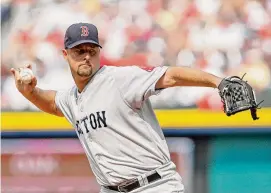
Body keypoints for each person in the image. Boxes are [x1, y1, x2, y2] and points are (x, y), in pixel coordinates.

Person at [11, 22, 222, 193]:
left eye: (91, 50)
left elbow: (170, 76)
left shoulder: (120, 79)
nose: (86, 56)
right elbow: (52, 102)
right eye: (79, 50)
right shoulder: (72, 98)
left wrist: (218, 82)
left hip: (153, 185)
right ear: (65, 55)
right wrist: (28, 92)